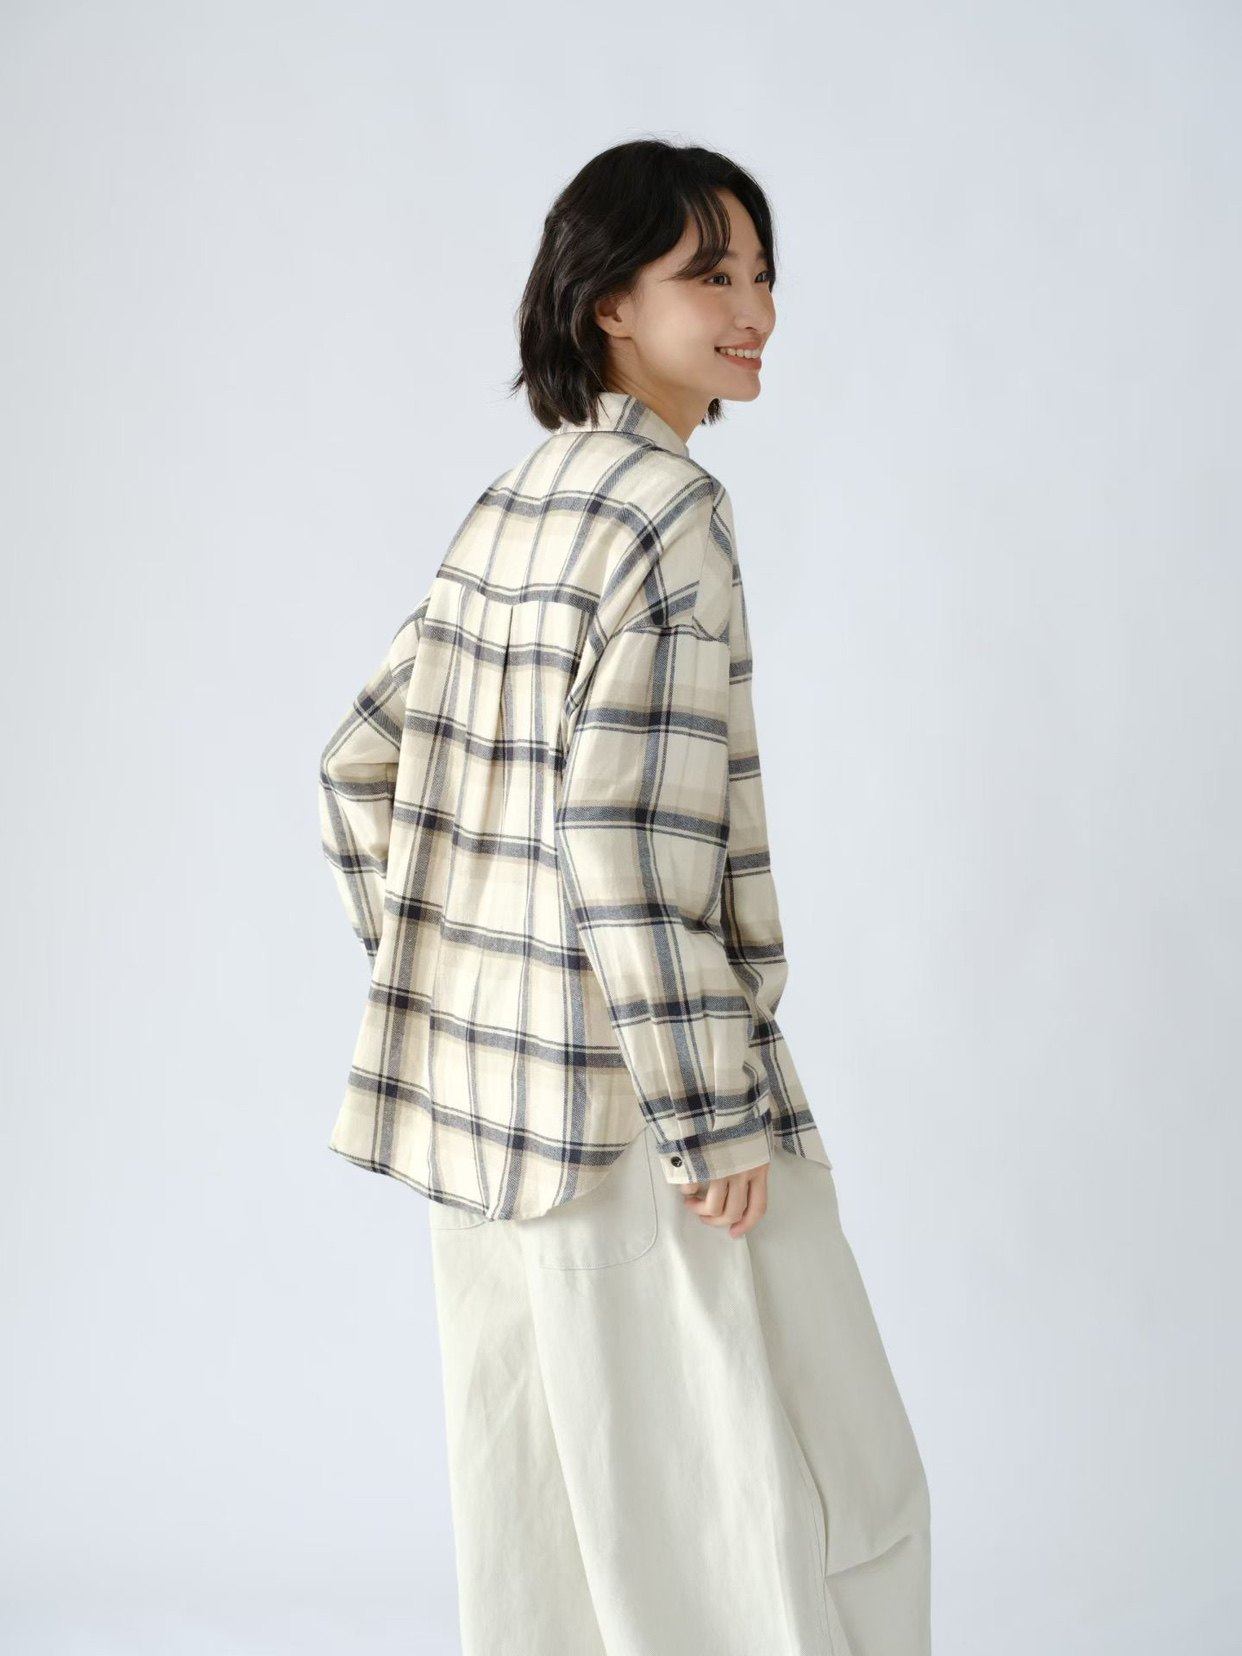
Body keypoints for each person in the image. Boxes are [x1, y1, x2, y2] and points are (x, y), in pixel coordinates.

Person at [318, 137, 932, 1656]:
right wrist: (707, 1110)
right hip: (639, 1119)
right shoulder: (667, 515)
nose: (755, 311)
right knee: (778, 1518)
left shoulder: (518, 500)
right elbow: (618, 837)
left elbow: (356, 765)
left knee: (548, 1543)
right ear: (608, 303)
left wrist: (468, 974)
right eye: (709, 276)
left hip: (486, 1115)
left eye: (763, 273)